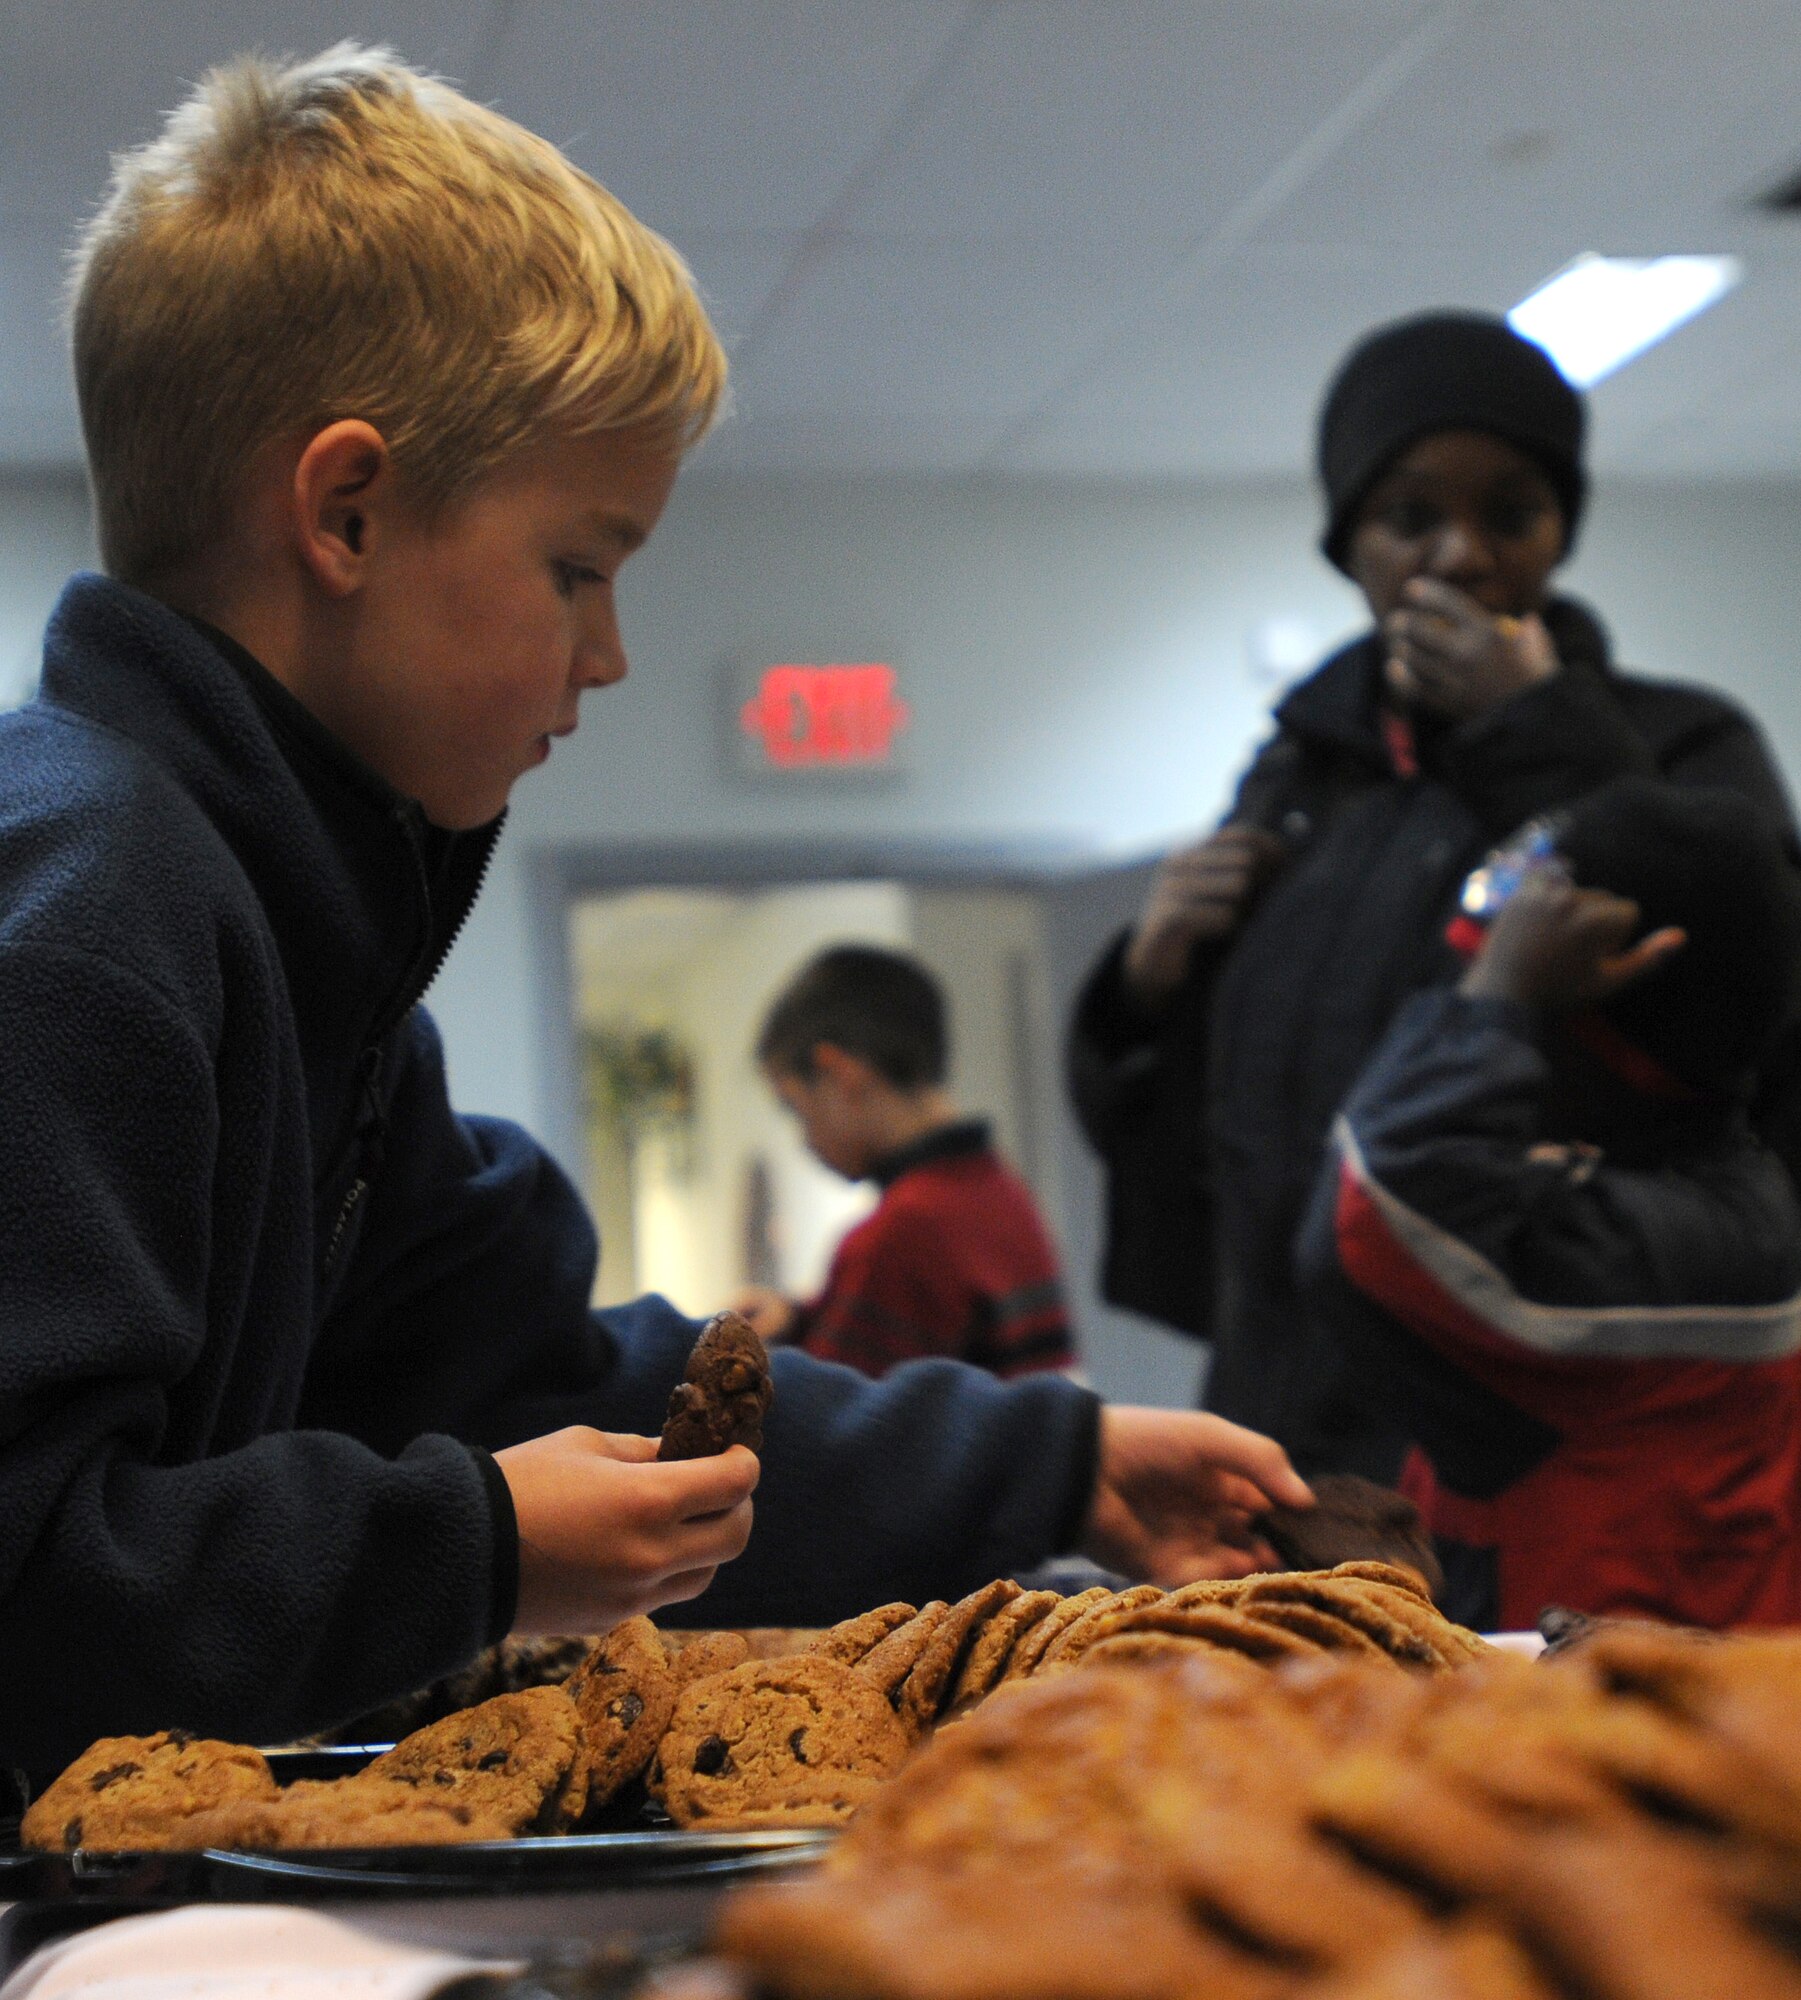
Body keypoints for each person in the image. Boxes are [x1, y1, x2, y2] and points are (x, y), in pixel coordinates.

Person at [0, 46, 1309, 1781]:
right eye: (580, 570)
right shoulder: (88, 912)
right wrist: (472, 1543)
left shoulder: (313, 963)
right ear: (346, 511)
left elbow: (550, 1389)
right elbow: (31, 1574)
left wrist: (1055, 1466)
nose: (609, 657)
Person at [1069, 309, 1799, 1481]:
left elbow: (1746, 1014)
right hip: (1287, 1416)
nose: (1460, 554)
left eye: (1509, 512)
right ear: (1350, 542)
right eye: (1411, 516)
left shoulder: (1681, 746)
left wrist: (1535, 727)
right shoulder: (1296, 780)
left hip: (1539, 1429)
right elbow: (1202, 1138)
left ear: (1559, 531)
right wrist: (1144, 987)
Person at [1298, 780, 1801, 1631]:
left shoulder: (1706, 1247)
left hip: (1640, 1735)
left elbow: (1367, 1221)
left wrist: (1498, 996)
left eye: (1527, 1009)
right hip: (1574, 1700)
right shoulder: (1653, 1179)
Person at [736, 945, 1077, 1379]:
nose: (805, 1139)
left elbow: (823, 1428)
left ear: (840, 1072)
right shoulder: (1001, 1191)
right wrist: (798, 1319)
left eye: (795, 1107)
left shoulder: (902, 1233)